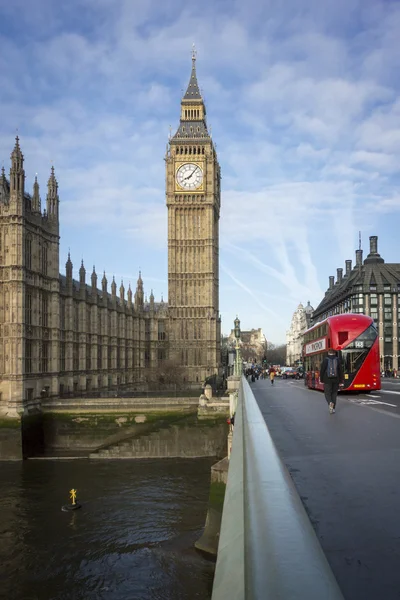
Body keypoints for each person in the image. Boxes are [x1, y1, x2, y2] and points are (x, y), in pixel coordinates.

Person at [319, 348, 344, 414]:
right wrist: (341, 380)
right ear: (334, 353)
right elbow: (340, 371)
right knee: (334, 393)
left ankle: (330, 403)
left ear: (328, 353)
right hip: (336, 379)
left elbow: (322, 370)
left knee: (327, 393)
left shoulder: (325, 360)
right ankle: (333, 408)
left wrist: (321, 379)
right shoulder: (338, 359)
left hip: (327, 379)